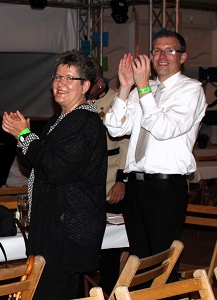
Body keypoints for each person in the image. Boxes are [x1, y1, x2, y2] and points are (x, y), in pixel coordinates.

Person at [2, 50, 107, 299]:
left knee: (52, 291)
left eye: (70, 78)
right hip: (55, 226)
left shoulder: (84, 122)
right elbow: (37, 164)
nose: (61, 84)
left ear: (86, 86)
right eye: (58, 77)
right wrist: (24, 138)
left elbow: (54, 168)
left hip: (67, 231)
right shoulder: (61, 119)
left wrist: (25, 136)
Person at [104, 30, 207, 283]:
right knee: (139, 261)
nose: (162, 56)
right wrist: (126, 88)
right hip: (135, 187)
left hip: (166, 187)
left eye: (169, 50)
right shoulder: (144, 90)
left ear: (182, 57)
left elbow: (163, 129)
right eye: (157, 50)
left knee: (163, 264)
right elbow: (115, 127)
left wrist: (142, 88)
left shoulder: (190, 90)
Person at [87, 62, 130, 295]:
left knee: (110, 246)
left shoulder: (117, 101)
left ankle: (110, 291)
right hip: (87, 180)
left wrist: (121, 180)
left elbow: (125, 143)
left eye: (88, 84)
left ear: (100, 84)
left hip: (110, 177)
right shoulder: (83, 103)